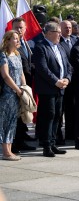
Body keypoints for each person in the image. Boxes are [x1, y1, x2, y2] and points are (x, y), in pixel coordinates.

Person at [33, 22, 71, 157]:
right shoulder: (40, 47)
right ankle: (46, 145)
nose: (60, 34)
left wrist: (67, 78)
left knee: (57, 116)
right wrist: (56, 81)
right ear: (49, 33)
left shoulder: (60, 47)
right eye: (57, 32)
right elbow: (43, 69)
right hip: (47, 89)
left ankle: (53, 143)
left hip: (61, 88)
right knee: (48, 116)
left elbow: (68, 66)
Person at [10, 18, 36, 153]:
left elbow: (28, 63)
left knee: (23, 115)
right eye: (16, 27)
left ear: (25, 29)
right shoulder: (11, 47)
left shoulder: (26, 43)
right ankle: (15, 145)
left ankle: (21, 141)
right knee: (16, 117)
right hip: (16, 86)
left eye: (21, 27)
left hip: (26, 84)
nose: (19, 30)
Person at [0, 31, 26, 161]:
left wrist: (24, 88)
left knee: (12, 122)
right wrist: (17, 89)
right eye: (15, 38)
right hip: (7, 94)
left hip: (18, 93)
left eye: (18, 38)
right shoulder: (3, 56)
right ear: (8, 40)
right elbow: (5, 76)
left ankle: (9, 150)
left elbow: (21, 73)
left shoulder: (17, 55)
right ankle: (5, 152)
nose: (17, 40)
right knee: (5, 122)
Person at [58, 20, 78, 143]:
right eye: (65, 27)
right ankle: (58, 135)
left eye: (70, 27)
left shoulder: (75, 40)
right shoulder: (57, 42)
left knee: (72, 108)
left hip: (75, 81)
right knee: (60, 110)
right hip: (63, 81)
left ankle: (70, 133)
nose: (68, 29)